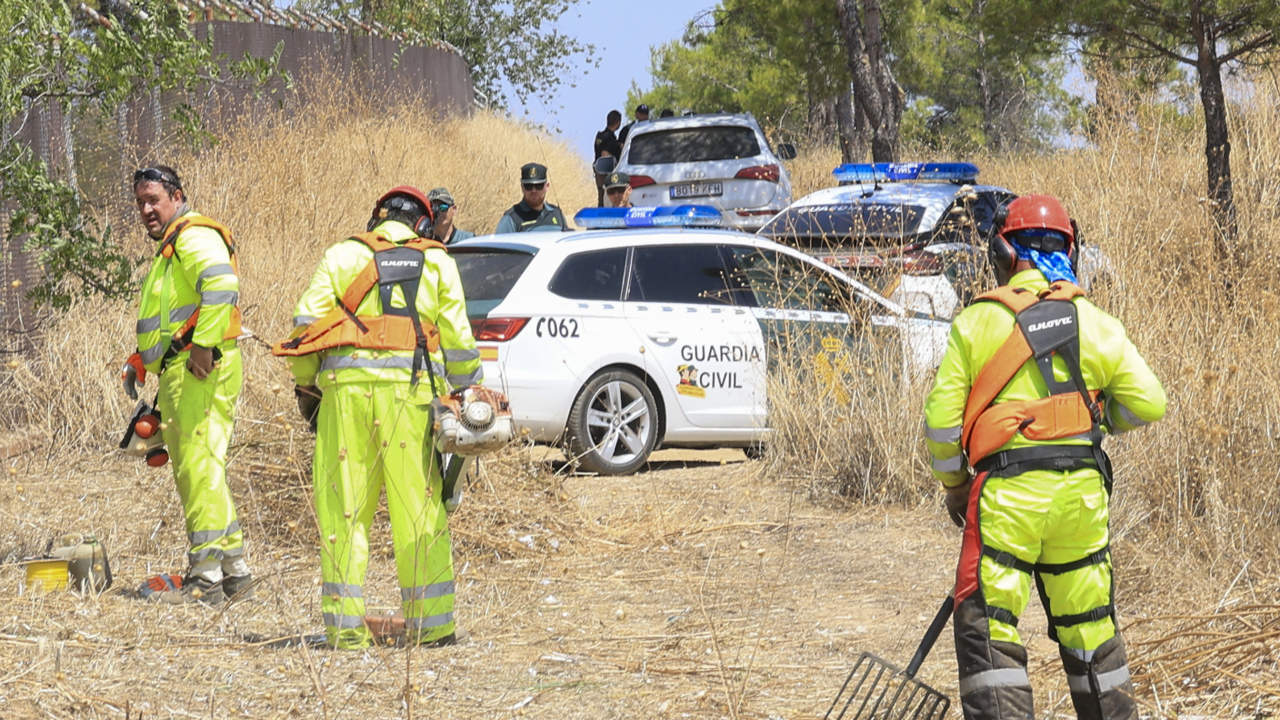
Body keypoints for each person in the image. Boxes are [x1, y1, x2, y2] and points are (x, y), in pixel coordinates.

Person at [923, 195, 1166, 719]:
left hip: (1008, 500)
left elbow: (942, 426)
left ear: (1004, 254)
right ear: (1068, 250)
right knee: (1092, 628)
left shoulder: (977, 321)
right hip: (1080, 499)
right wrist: (1097, 419)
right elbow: (1150, 402)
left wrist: (955, 486)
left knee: (990, 629)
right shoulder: (1095, 321)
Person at [274, 186, 482, 649]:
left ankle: (346, 632)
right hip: (411, 403)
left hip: (344, 403)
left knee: (343, 511)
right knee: (419, 510)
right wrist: (465, 396)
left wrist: (309, 385)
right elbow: (461, 344)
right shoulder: (438, 260)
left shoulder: (342, 255)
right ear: (423, 225)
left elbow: (303, 328)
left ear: (377, 218)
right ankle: (432, 629)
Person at [121, 165, 252, 605]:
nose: (146, 209)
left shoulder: (192, 237)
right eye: (140, 202)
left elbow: (221, 284)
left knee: (198, 470)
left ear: (176, 197)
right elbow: (174, 317)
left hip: (200, 370)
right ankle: (234, 572)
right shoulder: (172, 248)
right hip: (186, 370)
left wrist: (203, 346)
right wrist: (144, 359)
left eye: (153, 200)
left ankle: (205, 579)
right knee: (205, 468)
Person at [495, 163, 569, 233]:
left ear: (547, 186)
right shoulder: (510, 219)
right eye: (529, 186)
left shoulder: (557, 214)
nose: (534, 191)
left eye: (538, 186)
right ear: (522, 187)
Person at [593, 110, 623, 207]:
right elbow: (604, 154)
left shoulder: (600, 136)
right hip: (607, 175)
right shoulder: (610, 138)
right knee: (609, 202)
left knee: (601, 200)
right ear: (618, 122)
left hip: (599, 173)